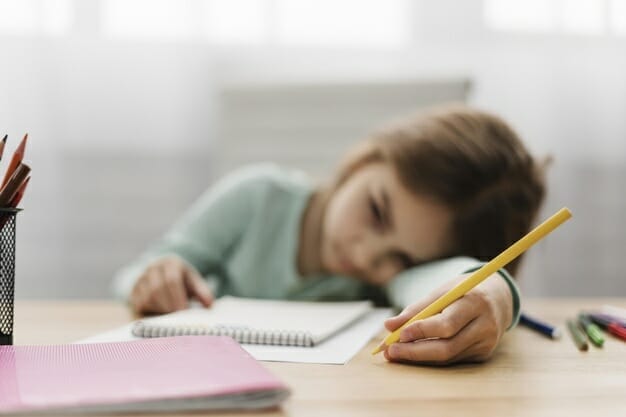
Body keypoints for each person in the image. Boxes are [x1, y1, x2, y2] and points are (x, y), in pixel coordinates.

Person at [113, 105, 545, 365]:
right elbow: (133, 275)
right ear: (363, 160)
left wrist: (493, 289)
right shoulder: (257, 198)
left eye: (403, 260)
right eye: (377, 212)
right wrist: (154, 279)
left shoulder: (387, 281)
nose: (368, 256)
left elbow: (446, 279)